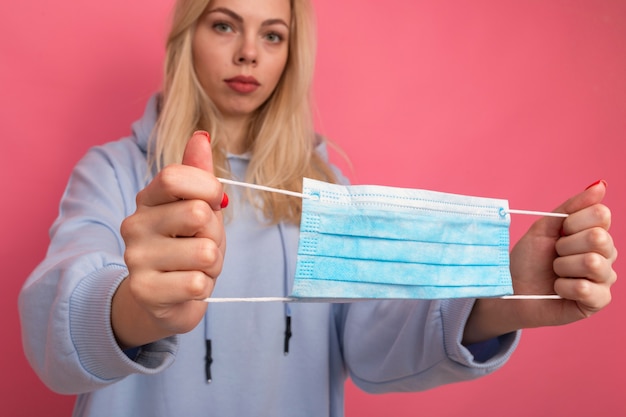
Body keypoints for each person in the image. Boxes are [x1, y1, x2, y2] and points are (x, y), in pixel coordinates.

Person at [18, 0, 617, 416]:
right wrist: (132, 309)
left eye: (272, 34)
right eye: (225, 25)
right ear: (186, 38)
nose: (249, 52)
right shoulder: (116, 171)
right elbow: (53, 324)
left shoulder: (322, 187)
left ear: (291, 53)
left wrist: (500, 294)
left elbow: (373, 344)